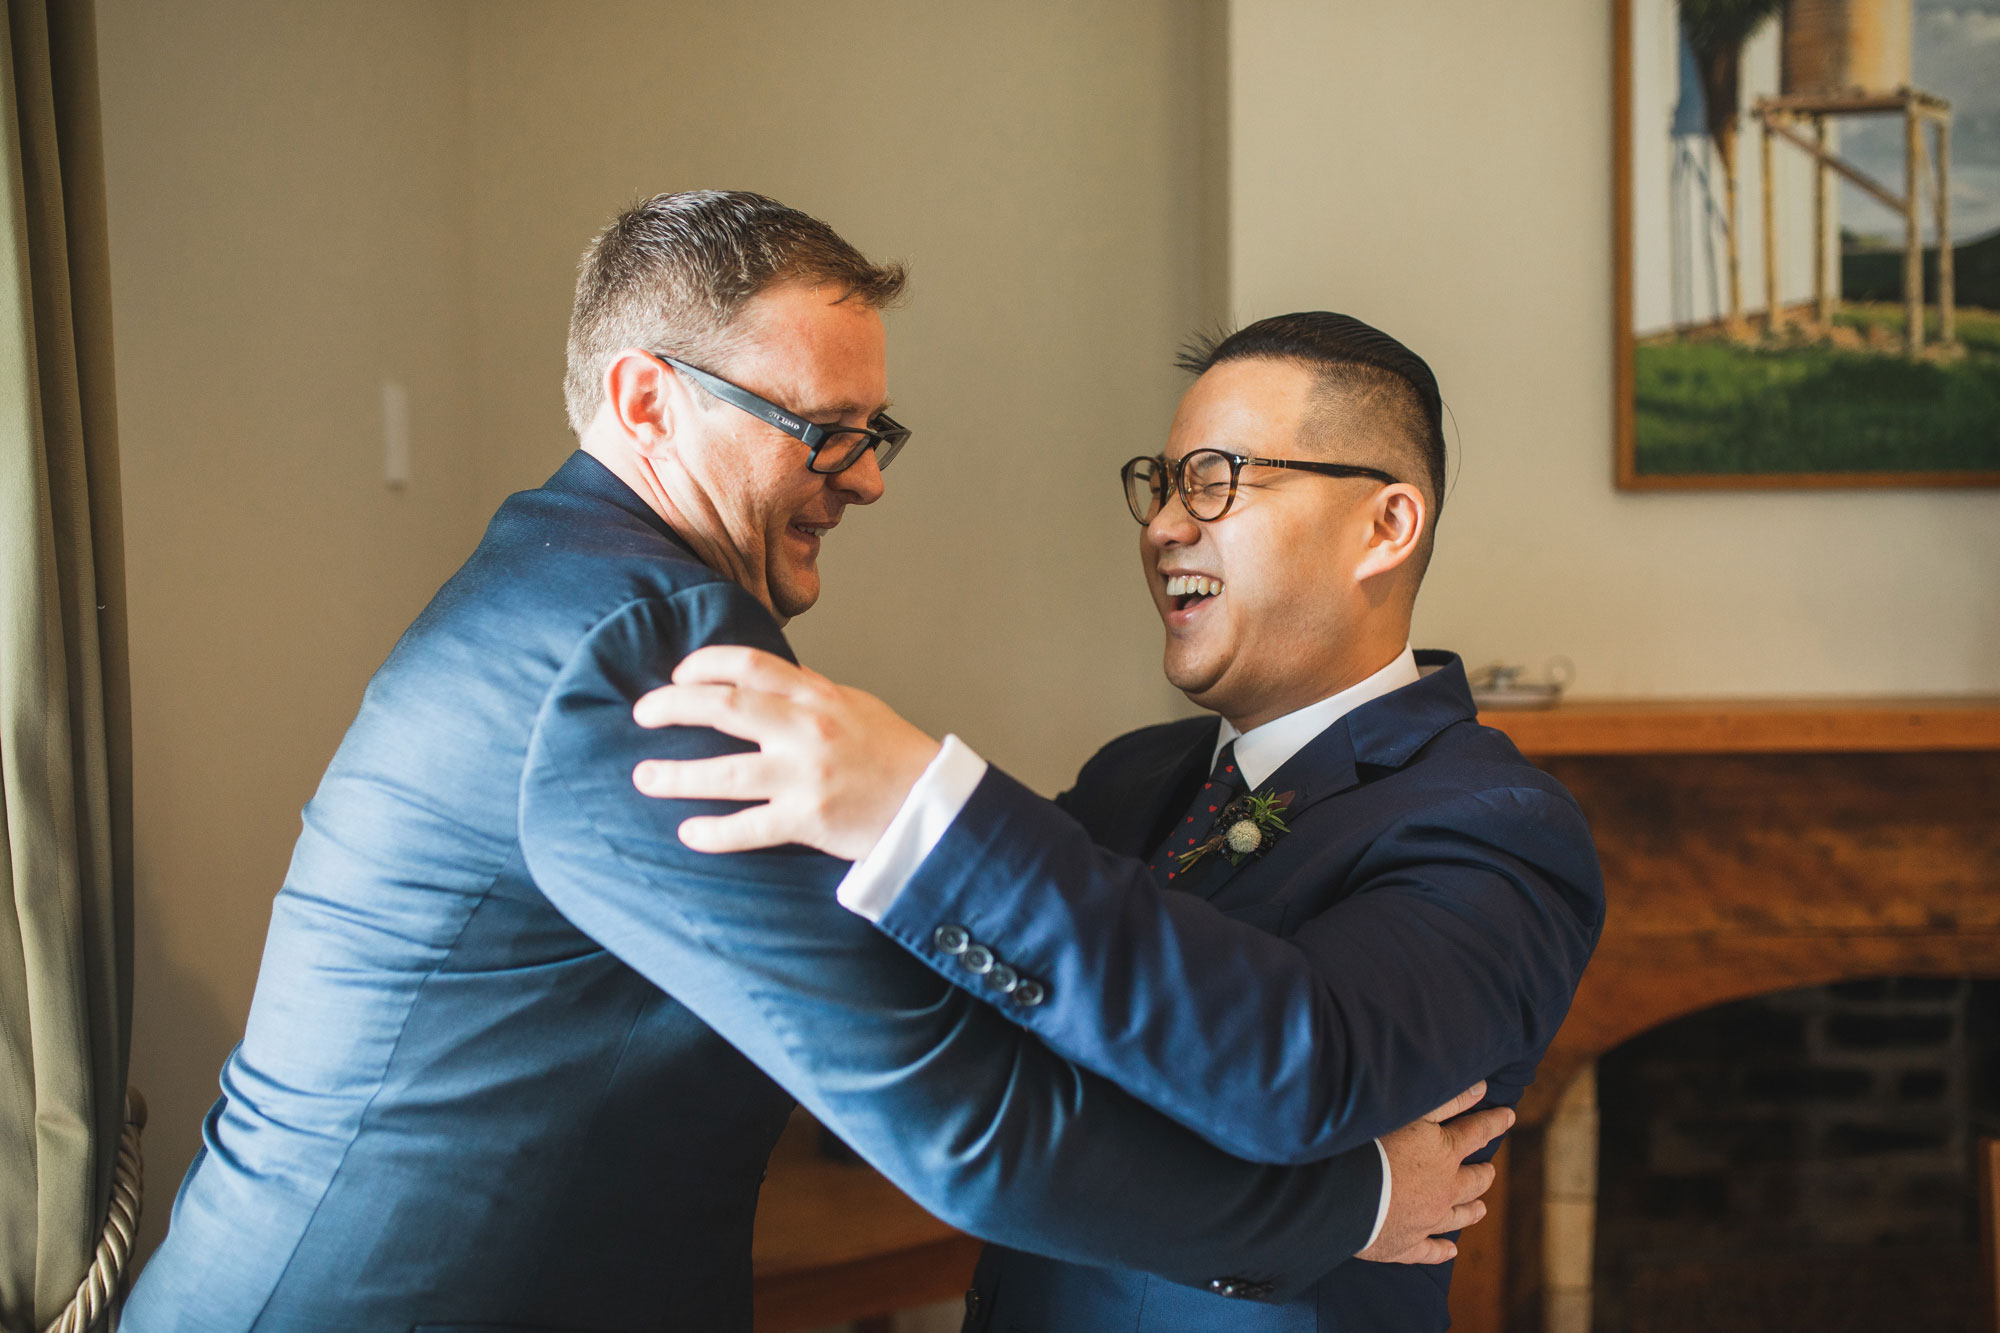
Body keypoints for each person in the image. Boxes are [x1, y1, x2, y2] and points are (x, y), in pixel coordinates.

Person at [124, 195, 1507, 1332]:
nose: (868, 478)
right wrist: (1350, 1206)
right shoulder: (646, 640)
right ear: (644, 399)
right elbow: (954, 1109)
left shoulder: (558, 577)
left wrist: (919, 808)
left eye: (875, 432)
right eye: (823, 431)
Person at [628, 311, 1605, 1330]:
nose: (1163, 526)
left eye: (1215, 480)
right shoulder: (1131, 776)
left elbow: (1305, 1063)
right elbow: (967, 1006)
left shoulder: (1495, 825)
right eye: (1163, 482)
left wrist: (924, 802)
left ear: (1384, 526)